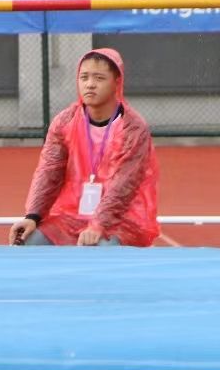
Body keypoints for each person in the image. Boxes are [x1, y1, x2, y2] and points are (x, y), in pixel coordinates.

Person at [9, 48, 159, 247]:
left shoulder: (133, 128)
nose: (90, 84)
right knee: (29, 242)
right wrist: (32, 216)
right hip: (71, 216)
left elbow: (124, 184)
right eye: (84, 77)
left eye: (99, 78)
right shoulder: (65, 121)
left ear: (117, 82)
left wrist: (99, 225)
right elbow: (49, 171)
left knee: (101, 249)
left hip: (121, 220)